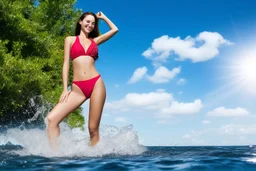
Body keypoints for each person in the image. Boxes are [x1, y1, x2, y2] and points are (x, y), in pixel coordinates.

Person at [46, 11, 118, 149]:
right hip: (77, 89)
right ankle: (55, 155)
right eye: (87, 21)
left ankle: (97, 162)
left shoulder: (95, 41)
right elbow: (66, 63)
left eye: (93, 23)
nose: (90, 25)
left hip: (96, 83)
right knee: (52, 119)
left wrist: (103, 18)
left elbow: (115, 29)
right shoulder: (70, 40)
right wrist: (64, 89)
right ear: (80, 21)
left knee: (92, 129)